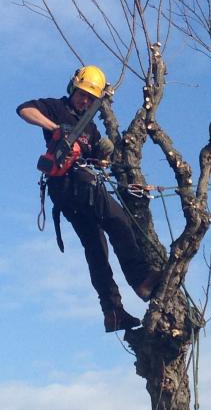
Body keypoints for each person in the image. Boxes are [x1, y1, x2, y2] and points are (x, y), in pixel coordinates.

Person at [17, 65, 157, 332]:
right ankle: (141, 280)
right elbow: (24, 109)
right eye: (82, 94)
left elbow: (96, 159)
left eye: (90, 98)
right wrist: (54, 128)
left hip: (75, 192)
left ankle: (112, 311)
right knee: (118, 220)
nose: (84, 101)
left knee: (96, 248)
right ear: (73, 89)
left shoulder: (90, 127)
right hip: (71, 186)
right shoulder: (56, 108)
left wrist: (104, 154)